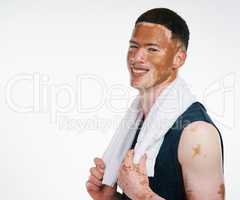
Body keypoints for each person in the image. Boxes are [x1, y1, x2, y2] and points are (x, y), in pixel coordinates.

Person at [86, 8, 225, 200]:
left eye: (152, 49)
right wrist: (109, 198)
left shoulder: (198, 133)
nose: (136, 57)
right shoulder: (140, 120)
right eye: (134, 46)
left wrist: (142, 194)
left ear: (179, 58)